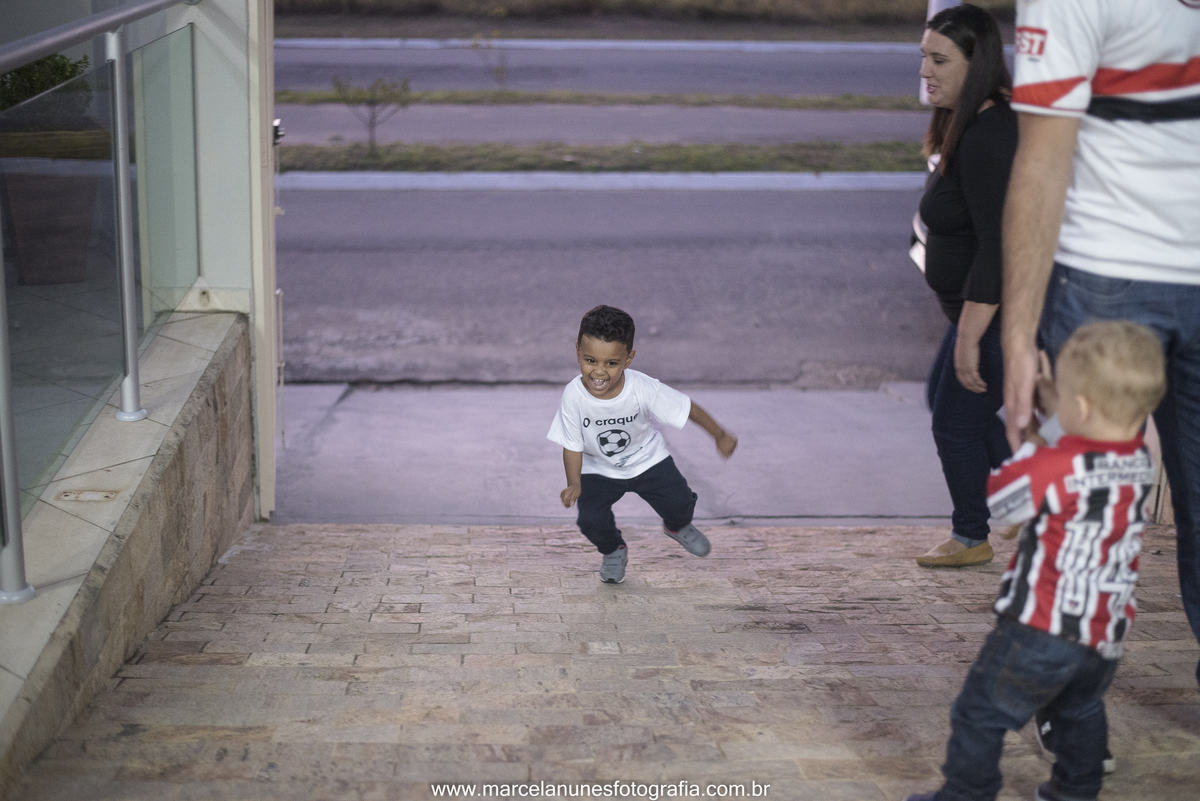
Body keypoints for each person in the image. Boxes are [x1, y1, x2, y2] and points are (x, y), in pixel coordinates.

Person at [1001, 0, 1200, 687]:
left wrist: (1020, 340)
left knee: (1073, 531)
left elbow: (1042, 160)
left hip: (1106, 277)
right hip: (1107, 276)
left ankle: (1076, 741)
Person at [907, 320, 1167, 801]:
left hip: (1041, 628)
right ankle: (1075, 791)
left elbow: (1005, 505)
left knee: (980, 711)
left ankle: (966, 793)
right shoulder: (1137, 462)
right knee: (1080, 711)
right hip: (1105, 630)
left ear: (1081, 407)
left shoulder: (1056, 463)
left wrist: (1032, 439)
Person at [913, 3, 1018, 568]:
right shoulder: (968, 120)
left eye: (939, 60)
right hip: (973, 313)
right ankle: (1029, 505)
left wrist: (971, 335)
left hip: (992, 314)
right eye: (924, 57)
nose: (926, 71)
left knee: (955, 424)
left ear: (976, 64)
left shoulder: (989, 134)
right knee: (952, 408)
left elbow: (997, 245)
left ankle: (972, 536)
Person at [547, 305, 737, 584]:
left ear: (628, 359)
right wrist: (574, 483)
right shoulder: (573, 396)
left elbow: (687, 409)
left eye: (611, 363)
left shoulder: (643, 388)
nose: (599, 372)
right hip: (597, 468)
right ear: (578, 352)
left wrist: (719, 434)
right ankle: (613, 550)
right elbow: (572, 445)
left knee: (680, 502)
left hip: (647, 459)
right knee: (590, 520)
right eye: (590, 360)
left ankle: (677, 527)